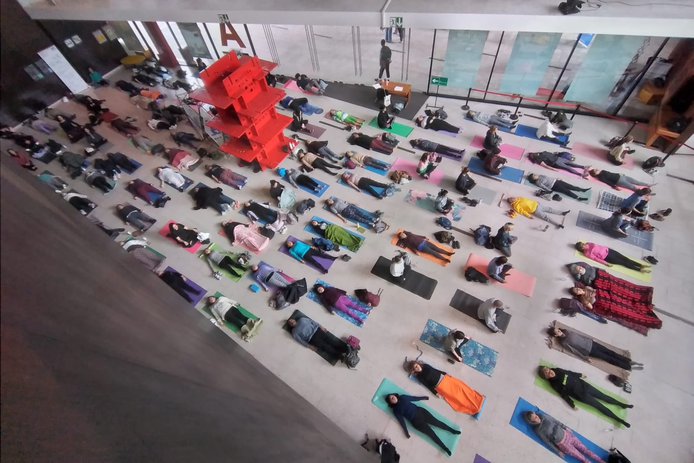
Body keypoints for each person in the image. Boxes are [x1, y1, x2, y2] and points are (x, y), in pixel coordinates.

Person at [538, 366, 632, 427]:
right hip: (582, 396)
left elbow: (569, 372)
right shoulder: (554, 384)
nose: (550, 372)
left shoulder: (557, 370)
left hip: (585, 386)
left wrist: (580, 375)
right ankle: (620, 420)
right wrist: (572, 404)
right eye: (547, 374)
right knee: (600, 406)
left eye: (548, 370)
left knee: (604, 396)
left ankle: (622, 405)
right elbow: (563, 395)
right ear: (547, 378)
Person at [385, 394, 460, 456]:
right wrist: (406, 432)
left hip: (421, 412)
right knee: (432, 434)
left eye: (392, 396)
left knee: (437, 423)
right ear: (391, 403)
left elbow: (413, 398)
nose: (393, 398)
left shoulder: (403, 397)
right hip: (416, 422)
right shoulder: (396, 410)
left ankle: (452, 431)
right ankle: (445, 449)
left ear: (395, 395)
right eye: (391, 399)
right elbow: (402, 421)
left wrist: (423, 398)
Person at [547, 326, 643, 371]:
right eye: (557, 332)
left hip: (592, 343)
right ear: (555, 335)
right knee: (608, 358)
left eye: (558, 329)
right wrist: (585, 358)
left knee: (611, 352)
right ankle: (628, 367)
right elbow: (574, 351)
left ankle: (629, 361)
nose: (559, 331)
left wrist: (590, 339)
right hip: (589, 351)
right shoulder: (563, 342)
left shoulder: (567, 331)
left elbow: (579, 334)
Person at [524, 411, 607, 463]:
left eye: (535, 415)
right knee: (583, 459)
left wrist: (565, 427)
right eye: (534, 417)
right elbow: (547, 442)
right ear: (531, 421)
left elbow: (555, 421)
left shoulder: (544, 416)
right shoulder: (538, 430)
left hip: (568, 435)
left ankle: (601, 461)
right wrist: (558, 451)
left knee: (586, 450)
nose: (536, 417)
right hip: (563, 445)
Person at [406, 361, 485, 415]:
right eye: (414, 368)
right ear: (414, 371)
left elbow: (435, 370)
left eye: (416, 366)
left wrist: (445, 373)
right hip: (441, 386)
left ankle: (477, 399)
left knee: (462, 388)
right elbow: (427, 386)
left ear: (418, 364)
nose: (417, 368)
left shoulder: (425, 365)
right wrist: (435, 393)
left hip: (446, 379)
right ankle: (473, 408)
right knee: (457, 397)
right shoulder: (420, 377)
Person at [575, 242, 651, 273]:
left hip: (609, 250)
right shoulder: (587, 253)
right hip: (607, 257)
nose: (584, 246)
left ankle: (641, 265)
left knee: (625, 258)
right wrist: (606, 263)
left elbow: (599, 246)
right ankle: (640, 269)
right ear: (581, 249)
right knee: (624, 263)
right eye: (582, 247)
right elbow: (596, 259)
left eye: (583, 244)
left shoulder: (588, 243)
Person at [587, 168, 652, 192]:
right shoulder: (601, 177)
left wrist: (619, 174)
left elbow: (612, 173)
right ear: (595, 174)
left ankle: (648, 185)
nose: (597, 169)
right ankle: (644, 193)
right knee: (633, 187)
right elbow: (608, 182)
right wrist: (615, 187)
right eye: (595, 170)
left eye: (596, 169)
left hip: (621, 176)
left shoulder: (603, 171)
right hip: (619, 181)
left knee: (636, 182)